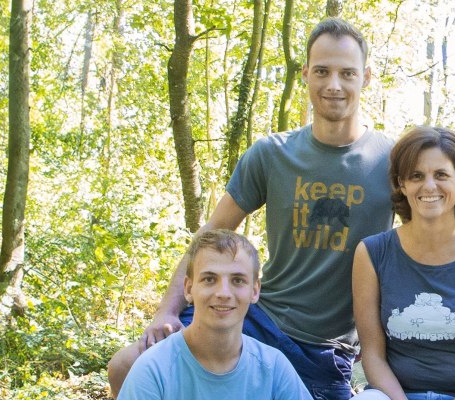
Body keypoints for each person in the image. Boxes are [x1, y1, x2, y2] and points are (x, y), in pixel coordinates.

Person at [108, 18, 391, 400]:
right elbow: (209, 236)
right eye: (322, 71)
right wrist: (167, 311)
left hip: (325, 348)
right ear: (305, 72)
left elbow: (423, 249)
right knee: (126, 366)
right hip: (256, 318)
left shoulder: (392, 162)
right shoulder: (272, 154)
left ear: (367, 77)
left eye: (347, 73)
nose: (334, 84)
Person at [351, 126, 455, 400]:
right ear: (402, 184)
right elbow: (373, 356)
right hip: (395, 395)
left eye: (441, 175)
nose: (429, 186)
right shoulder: (371, 253)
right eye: (416, 176)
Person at [118, 229, 312, 399]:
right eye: (210, 279)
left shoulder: (273, 368)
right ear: (188, 288)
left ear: (254, 290)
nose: (223, 293)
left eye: (237, 280)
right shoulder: (154, 370)